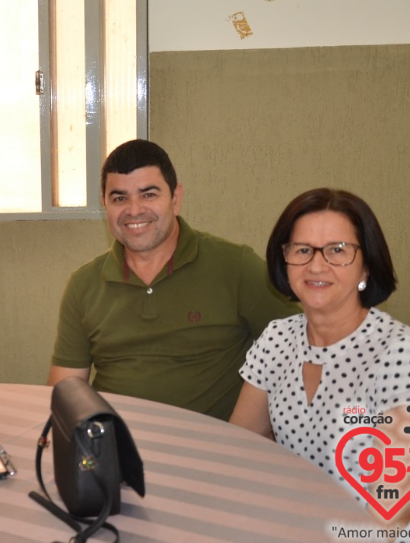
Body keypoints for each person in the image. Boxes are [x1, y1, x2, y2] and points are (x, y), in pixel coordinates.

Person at [230, 188, 410, 543]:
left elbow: (392, 506)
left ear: (366, 265)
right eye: (302, 250)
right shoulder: (277, 339)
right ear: (285, 262)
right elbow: (240, 448)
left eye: (338, 250)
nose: (316, 265)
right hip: (309, 531)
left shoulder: (401, 353)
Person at [47, 140, 298, 420]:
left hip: (209, 451)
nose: (134, 210)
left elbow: (303, 341)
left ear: (176, 199)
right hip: (116, 448)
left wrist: (261, 428)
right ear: (105, 204)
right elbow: (65, 391)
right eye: (119, 198)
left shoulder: (235, 267)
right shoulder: (84, 284)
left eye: (148, 194)